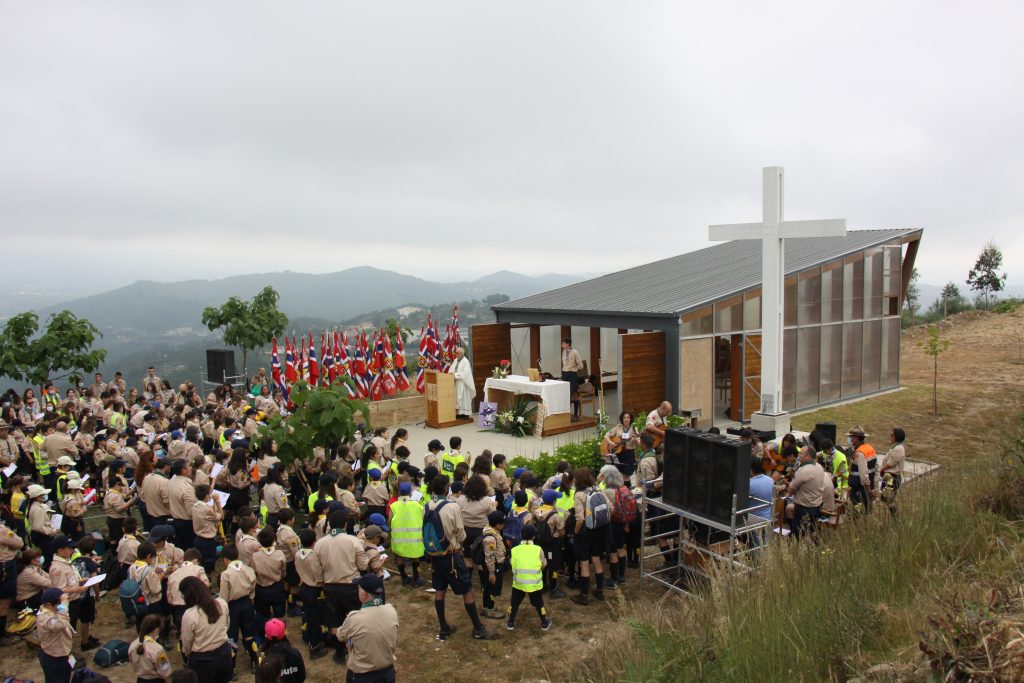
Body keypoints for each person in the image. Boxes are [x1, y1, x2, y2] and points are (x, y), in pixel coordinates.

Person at [424, 474, 497, 641]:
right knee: (467, 590)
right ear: (445, 488)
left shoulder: (427, 506)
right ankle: (478, 628)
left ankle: (444, 627)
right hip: (451, 554)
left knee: (440, 590)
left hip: (435, 554)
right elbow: (460, 532)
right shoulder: (450, 506)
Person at [313, 509, 368, 663]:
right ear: (345, 524)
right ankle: (357, 650)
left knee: (334, 621)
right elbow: (363, 565)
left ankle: (339, 652)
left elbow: (317, 570)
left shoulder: (320, 543)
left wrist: (321, 581)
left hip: (331, 586)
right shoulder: (353, 541)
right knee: (356, 618)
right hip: (351, 586)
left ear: (329, 523)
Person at [334, 574, 399, 683]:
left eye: (358, 589)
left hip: (362, 677)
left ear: (363, 595)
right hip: (387, 673)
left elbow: (341, 635)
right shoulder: (391, 611)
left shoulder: (354, 618)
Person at [179, 576, 233, 683]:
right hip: (224, 653)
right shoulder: (221, 603)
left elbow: (187, 641)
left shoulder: (190, 615)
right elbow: (227, 625)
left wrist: (188, 654)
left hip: (202, 660)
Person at [48, 535, 98, 649]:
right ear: (60, 550)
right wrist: (78, 589)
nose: (72, 550)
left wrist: (80, 581)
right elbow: (59, 590)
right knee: (68, 630)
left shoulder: (66, 562)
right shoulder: (58, 568)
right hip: (68, 603)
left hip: (75, 599)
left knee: (72, 627)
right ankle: (66, 656)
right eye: (69, 548)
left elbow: (69, 582)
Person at [217, 544, 260, 672]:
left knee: (231, 637)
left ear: (225, 560)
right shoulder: (248, 569)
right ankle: (254, 661)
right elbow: (253, 587)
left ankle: (233, 667)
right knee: (249, 634)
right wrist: (250, 599)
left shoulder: (225, 574)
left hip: (232, 606)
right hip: (247, 603)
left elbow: (224, 595)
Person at [506, 524, 552, 632]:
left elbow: (512, 563)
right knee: (539, 603)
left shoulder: (515, 550)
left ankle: (510, 622)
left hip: (519, 582)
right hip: (534, 583)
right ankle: (544, 622)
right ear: (534, 537)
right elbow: (544, 564)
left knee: (514, 602)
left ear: (521, 535)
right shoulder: (538, 549)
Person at [388, 482, 424, 587]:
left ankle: (404, 577)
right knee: (415, 557)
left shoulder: (394, 506)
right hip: (414, 538)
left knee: (399, 556)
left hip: (399, 538)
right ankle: (416, 577)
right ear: (410, 492)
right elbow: (423, 518)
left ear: (399, 492)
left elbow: (389, 520)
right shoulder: (417, 505)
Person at [786, 447, 826, 540]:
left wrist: (789, 492)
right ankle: (816, 546)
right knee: (812, 528)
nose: (798, 456)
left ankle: (796, 549)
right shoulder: (819, 466)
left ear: (808, 456)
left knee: (797, 532)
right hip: (816, 504)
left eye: (801, 454)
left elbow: (792, 488)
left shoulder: (803, 470)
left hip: (804, 506)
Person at [35, 587, 74, 683]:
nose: (62, 605)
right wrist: (64, 605)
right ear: (49, 605)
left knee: (66, 678)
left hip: (64, 653)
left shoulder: (54, 611)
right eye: (59, 603)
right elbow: (59, 624)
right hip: (53, 658)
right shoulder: (44, 617)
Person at [475, 510, 506, 619]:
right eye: (503, 524)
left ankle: (486, 607)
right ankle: (490, 610)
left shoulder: (491, 531)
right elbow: (490, 556)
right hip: (493, 567)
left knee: (487, 588)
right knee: (493, 588)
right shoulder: (490, 538)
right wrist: (492, 572)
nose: (504, 526)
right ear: (497, 525)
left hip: (492, 566)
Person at [254, 526, 287, 623]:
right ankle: (279, 632)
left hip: (261, 588)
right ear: (273, 540)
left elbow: (254, 572)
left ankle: (265, 633)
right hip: (276, 586)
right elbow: (283, 570)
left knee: (263, 614)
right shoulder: (279, 554)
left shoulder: (255, 556)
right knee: (279, 613)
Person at [130, 613, 173, 683]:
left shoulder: (132, 645)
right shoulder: (158, 649)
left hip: (140, 680)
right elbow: (165, 670)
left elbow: (132, 662)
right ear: (156, 630)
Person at [260, 618, 306, 683]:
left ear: (266, 635)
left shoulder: (264, 657)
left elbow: (261, 678)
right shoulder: (295, 653)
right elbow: (302, 676)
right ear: (284, 633)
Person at [847, 426, 876, 513]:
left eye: (851, 437)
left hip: (859, 486)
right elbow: (875, 468)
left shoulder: (860, 453)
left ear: (856, 438)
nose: (850, 439)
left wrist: (868, 490)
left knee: (858, 509)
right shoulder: (870, 448)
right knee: (867, 508)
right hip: (869, 483)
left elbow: (863, 474)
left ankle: (859, 524)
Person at [602, 411, 640, 478]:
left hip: (629, 454)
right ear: (622, 419)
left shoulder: (634, 429)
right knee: (617, 474)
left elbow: (638, 443)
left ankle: (626, 487)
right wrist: (610, 443)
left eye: (628, 417)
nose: (626, 419)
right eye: (624, 417)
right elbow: (606, 435)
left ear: (630, 419)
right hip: (618, 453)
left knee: (627, 475)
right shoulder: (617, 427)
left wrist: (636, 440)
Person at [560, 338, 585, 421]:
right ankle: (566, 414)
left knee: (573, 394)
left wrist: (575, 369)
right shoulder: (563, 352)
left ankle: (575, 414)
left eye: (563, 344)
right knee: (566, 395)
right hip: (565, 374)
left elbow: (581, 365)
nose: (562, 345)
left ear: (568, 344)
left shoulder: (575, 352)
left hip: (572, 375)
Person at [447, 346, 475, 419]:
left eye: (457, 353)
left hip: (464, 383)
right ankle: (459, 413)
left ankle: (465, 414)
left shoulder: (466, 362)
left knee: (463, 398)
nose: (455, 354)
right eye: (455, 353)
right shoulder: (456, 360)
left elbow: (466, 373)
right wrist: (450, 373)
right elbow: (451, 369)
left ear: (462, 353)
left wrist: (455, 374)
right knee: (457, 398)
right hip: (457, 382)